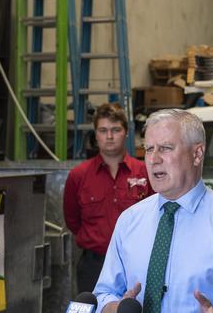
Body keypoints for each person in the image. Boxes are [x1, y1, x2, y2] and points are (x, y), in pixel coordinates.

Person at [94, 109, 213, 313]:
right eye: (148, 149)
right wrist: (116, 308)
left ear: (197, 154)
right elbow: (103, 293)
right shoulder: (129, 220)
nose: (153, 159)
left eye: (165, 148)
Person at [63, 103, 153, 293]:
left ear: (126, 132)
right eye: (103, 130)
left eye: (116, 130)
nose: (109, 136)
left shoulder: (145, 172)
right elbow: (72, 221)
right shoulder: (78, 176)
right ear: (96, 135)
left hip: (138, 263)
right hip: (94, 265)